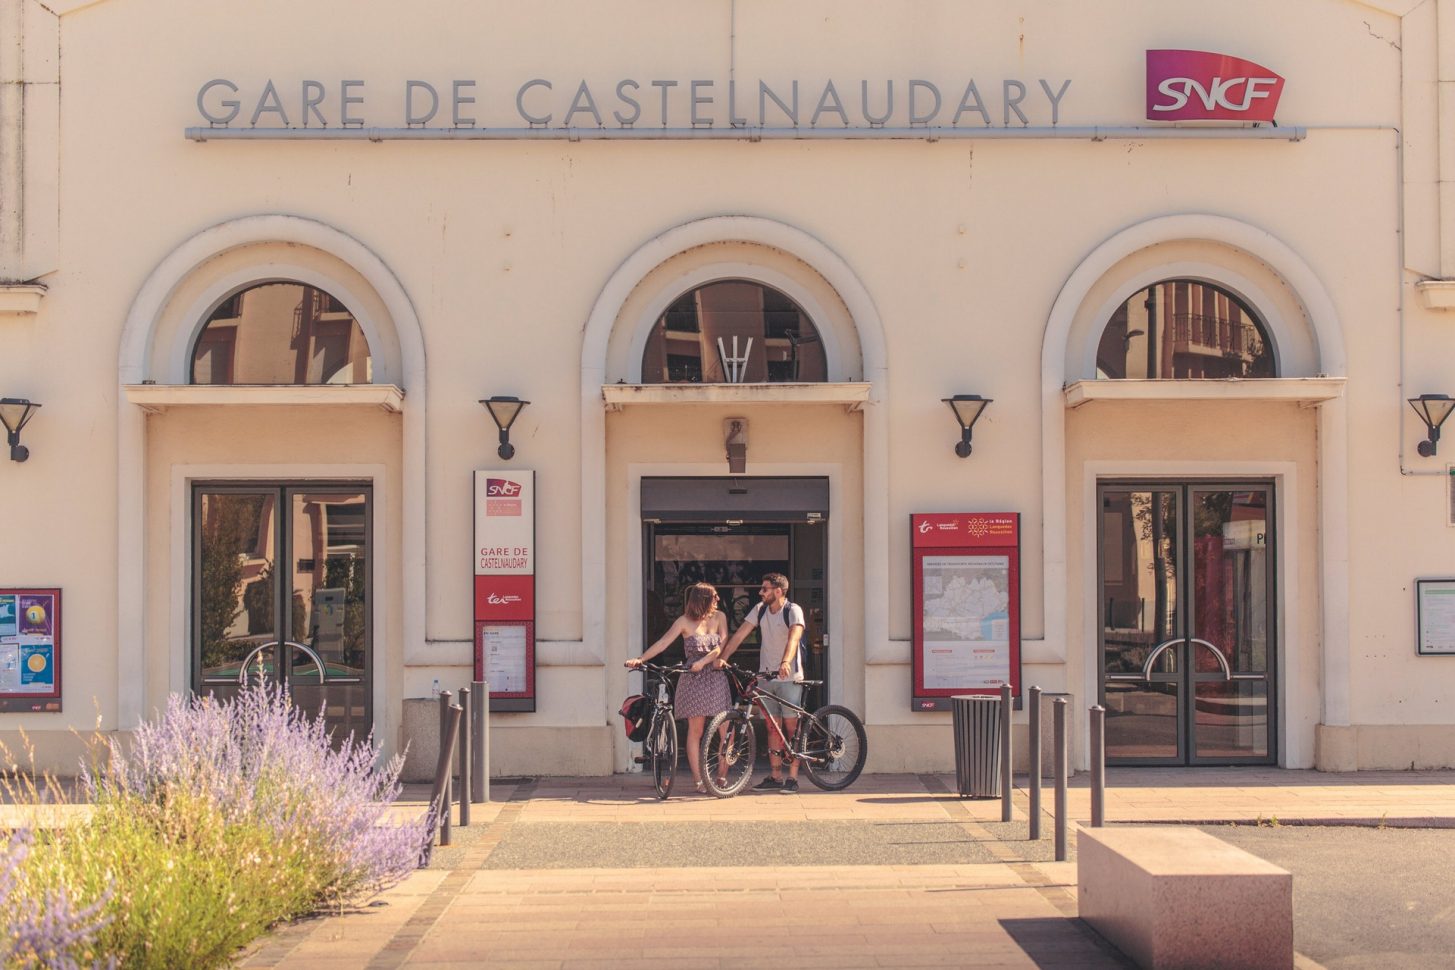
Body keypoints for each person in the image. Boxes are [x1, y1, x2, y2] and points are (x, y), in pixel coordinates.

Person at [625, 582, 732, 793]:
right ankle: (699, 780)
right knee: (696, 730)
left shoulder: (720, 617)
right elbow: (663, 642)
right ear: (703, 600)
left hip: (715, 676)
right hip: (692, 678)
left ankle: (721, 777)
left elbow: (722, 645)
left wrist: (705, 661)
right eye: (715, 597)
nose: (718, 600)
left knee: (726, 729)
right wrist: (641, 659)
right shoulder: (684, 621)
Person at [720, 572, 806, 793]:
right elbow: (739, 635)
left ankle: (793, 778)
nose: (760, 592)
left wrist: (786, 661)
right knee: (772, 728)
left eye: (764, 589)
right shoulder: (760, 610)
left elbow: (794, 638)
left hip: (789, 677)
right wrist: (724, 657)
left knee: (791, 727)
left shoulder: (792, 610)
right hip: (765, 677)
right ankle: (775, 775)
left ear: (778, 591)